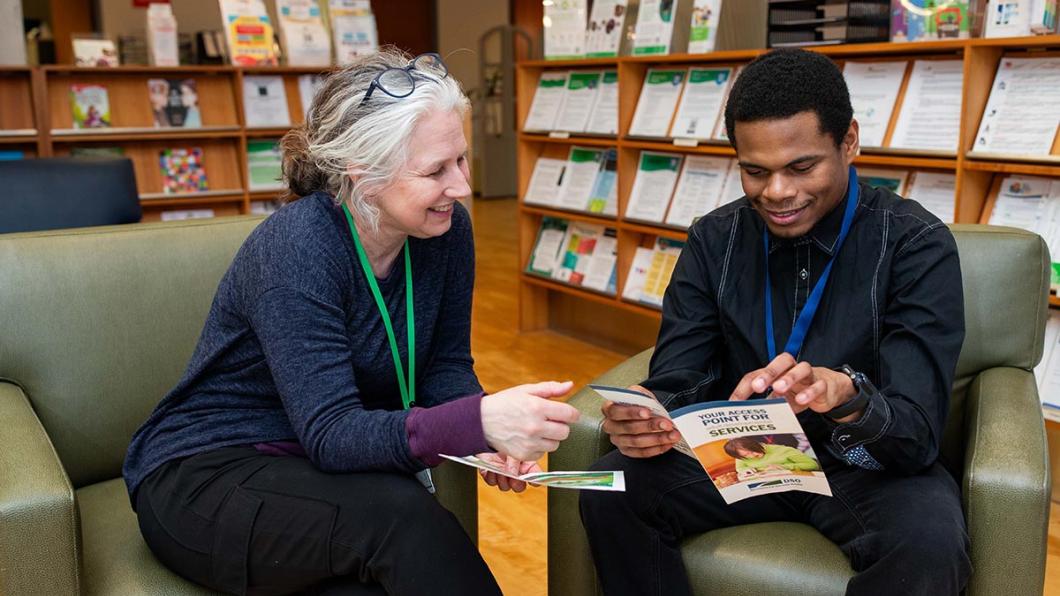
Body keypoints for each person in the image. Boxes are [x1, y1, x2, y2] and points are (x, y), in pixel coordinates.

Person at [123, 48, 579, 596]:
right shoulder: (298, 248)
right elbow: (332, 434)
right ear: (363, 174)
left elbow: (446, 364)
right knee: (405, 521)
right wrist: (475, 421)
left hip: (322, 476)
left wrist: (485, 434)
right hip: (209, 475)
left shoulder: (446, 231)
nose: (460, 186)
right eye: (435, 170)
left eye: (461, 160)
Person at [580, 48, 970, 595]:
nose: (778, 192)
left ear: (849, 141)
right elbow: (680, 374)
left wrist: (847, 396)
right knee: (612, 486)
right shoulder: (714, 239)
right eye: (755, 171)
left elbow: (916, 434)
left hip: (863, 463)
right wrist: (649, 414)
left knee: (928, 545)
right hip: (743, 454)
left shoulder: (915, 245)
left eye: (801, 166)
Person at [721, 436, 820, 479]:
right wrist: (747, 470)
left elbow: (813, 465)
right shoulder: (741, 457)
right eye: (746, 456)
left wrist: (785, 467)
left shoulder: (784, 450)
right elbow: (740, 468)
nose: (753, 456)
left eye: (752, 451)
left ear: (755, 444)